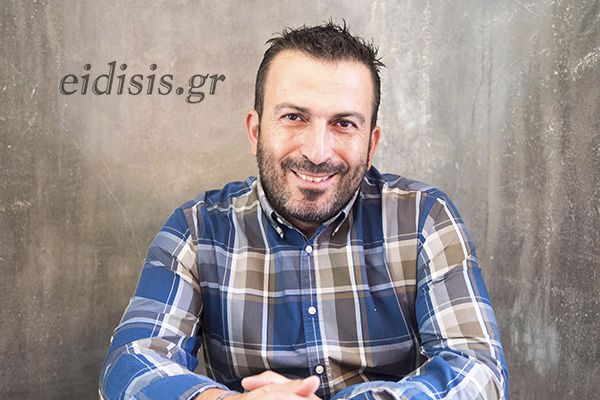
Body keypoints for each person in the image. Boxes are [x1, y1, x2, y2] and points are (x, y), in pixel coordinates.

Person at [99, 21, 508, 400]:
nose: (317, 152)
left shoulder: (424, 219)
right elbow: (130, 364)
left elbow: (479, 372)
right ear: (256, 131)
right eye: (294, 117)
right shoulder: (196, 229)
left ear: (371, 143)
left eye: (344, 124)